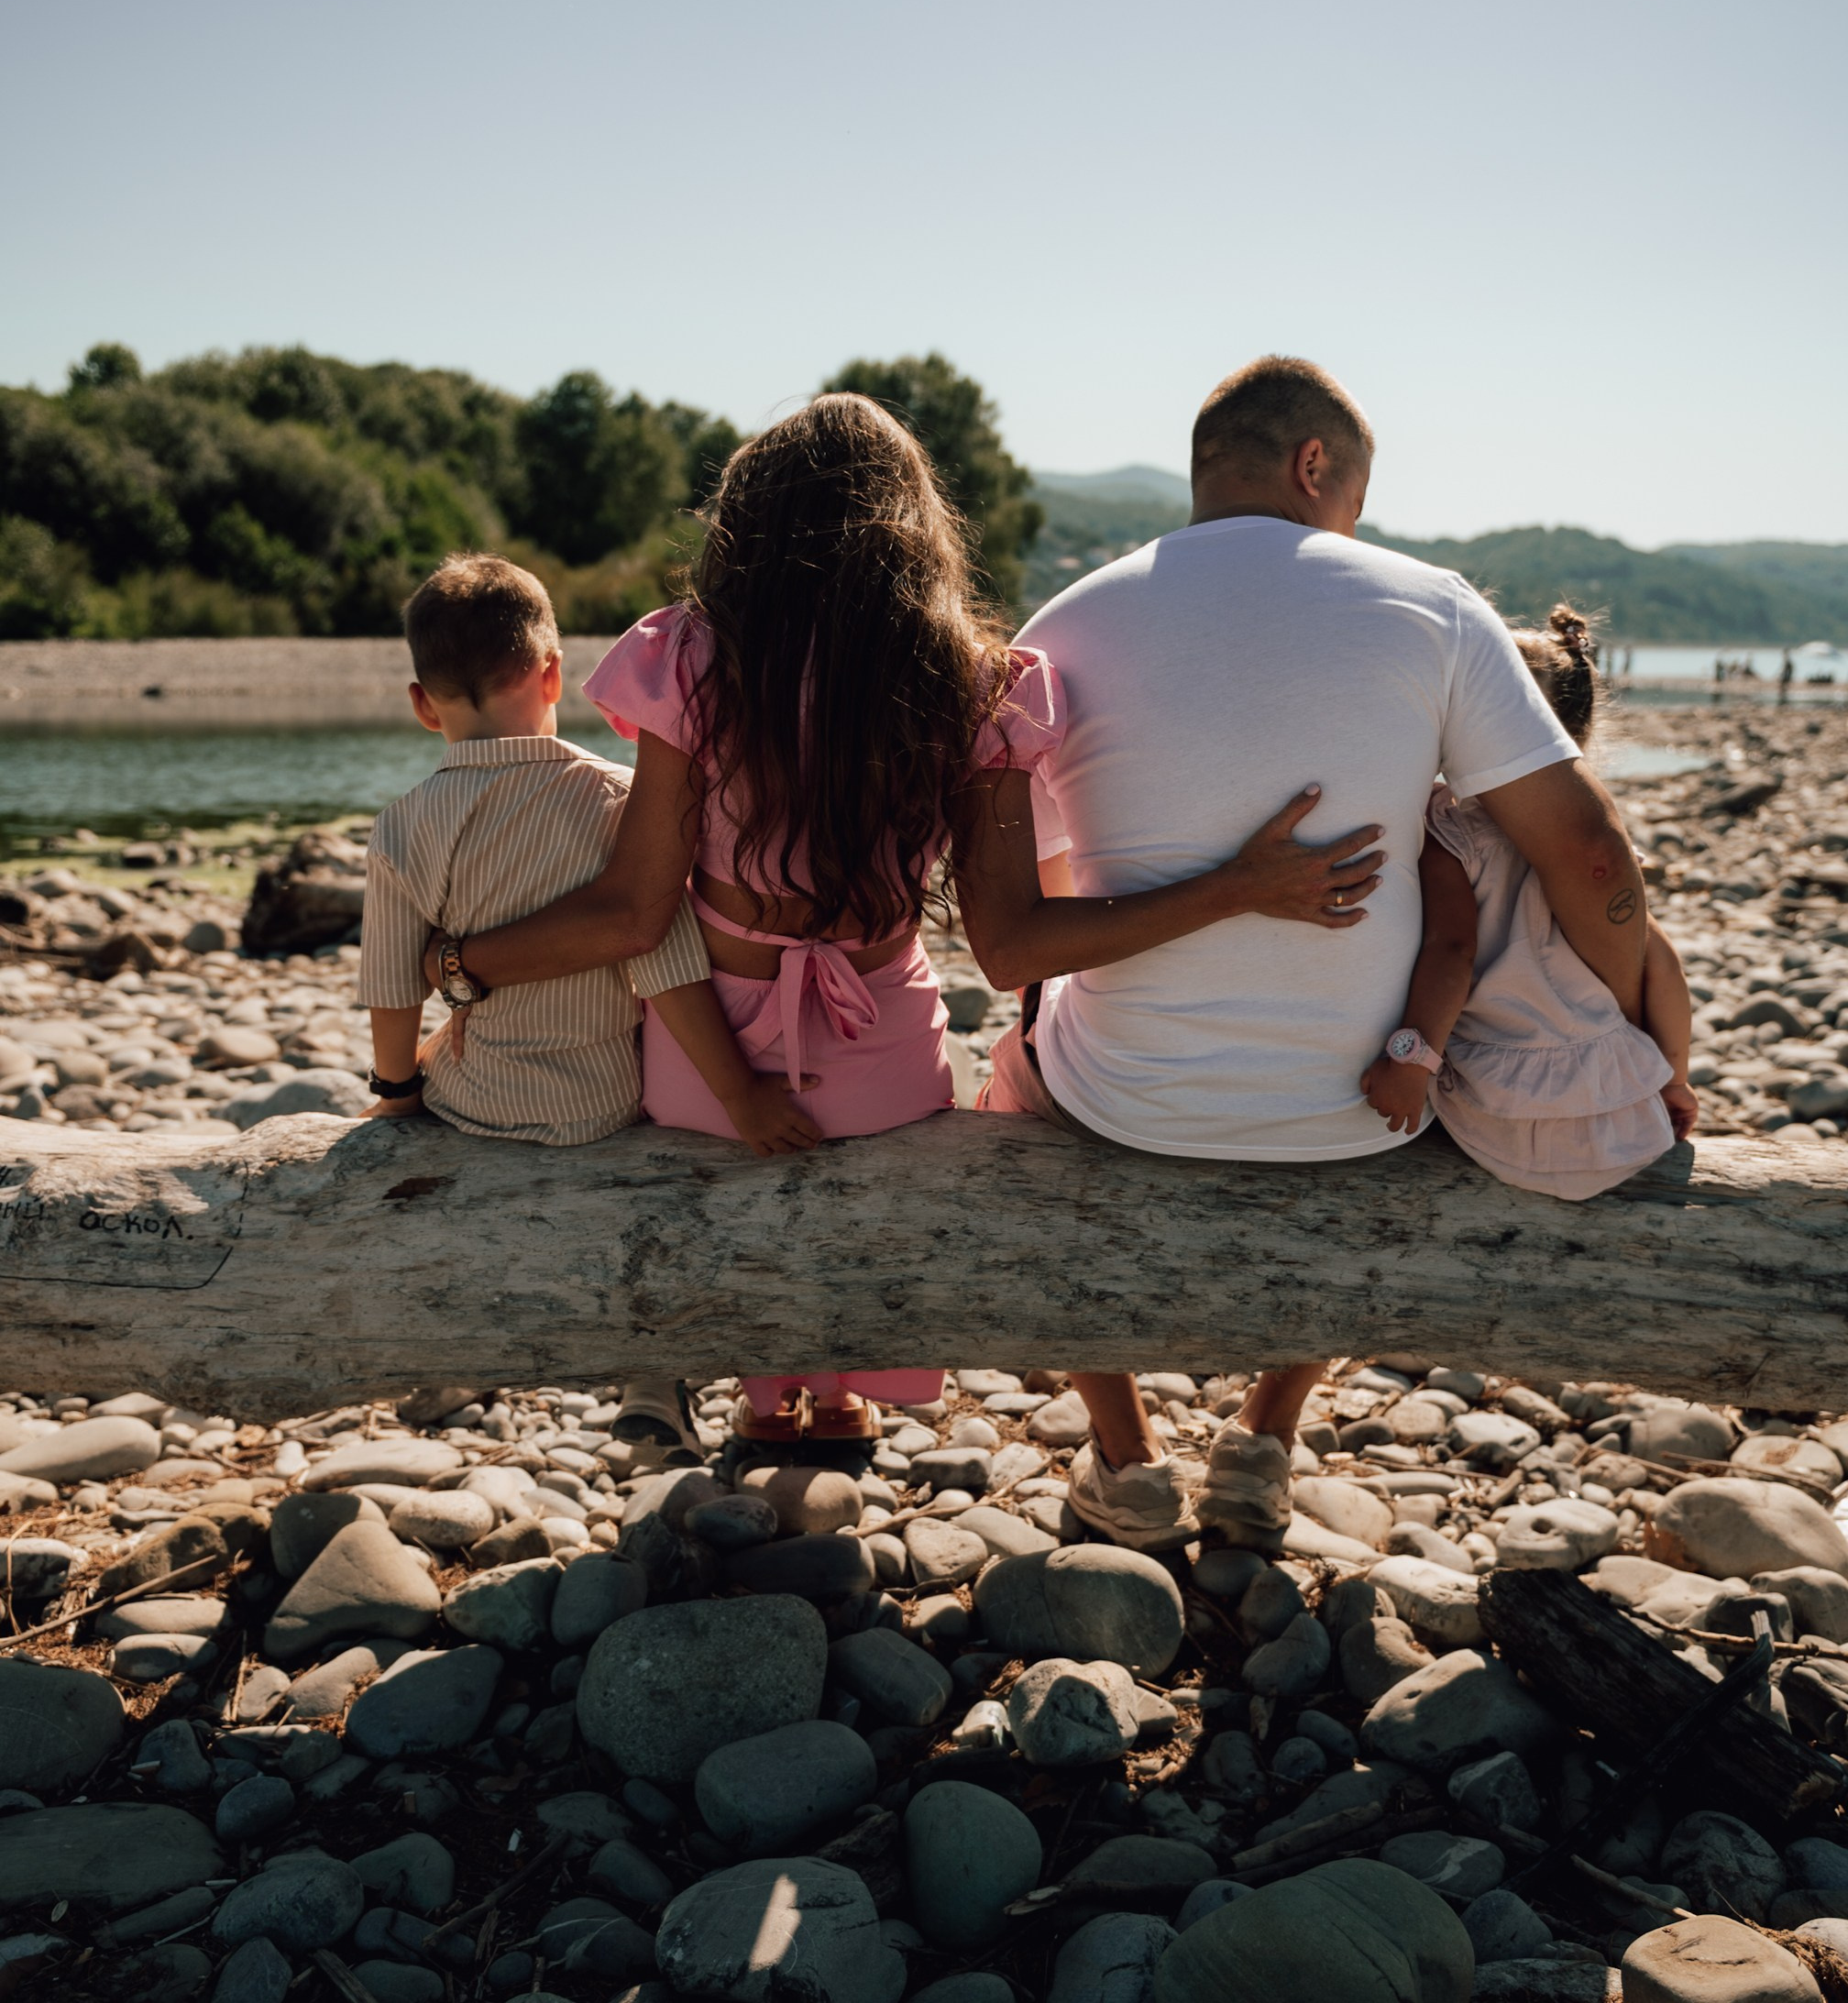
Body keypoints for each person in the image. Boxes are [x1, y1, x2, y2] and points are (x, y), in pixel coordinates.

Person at [425, 396, 1380, 1458]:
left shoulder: (695, 659)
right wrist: (1233, 885)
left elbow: (636, 910)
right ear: (915, 528)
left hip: (710, 1048)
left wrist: (463, 965)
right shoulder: (976, 683)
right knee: (866, 1221)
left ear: (752, 524)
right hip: (883, 1043)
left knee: (723, 1202)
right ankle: (844, 1393)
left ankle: (761, 1398)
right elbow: (1012, 944)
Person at [970, 354, 1649, 1554]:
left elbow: (1028, 921)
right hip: (1359, 1116)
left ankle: (1126, 1457)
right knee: (1407, 1013)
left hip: (1121, 1101)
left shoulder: (1057, 628)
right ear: (1314, 464)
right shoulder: (1436, 605)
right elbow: (1592, 862)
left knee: (1012, 1060)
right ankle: (1269, 1434)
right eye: (1356, 492)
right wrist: (1642, 1043)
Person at [358, 552, 764, 1147]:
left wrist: (397, 1094)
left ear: (422, 705)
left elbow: (393, 988)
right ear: (552, 676)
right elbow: (667, 964)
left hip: (480, 1103)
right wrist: (740, 1096)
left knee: (434, 1050)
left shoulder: (399, 826)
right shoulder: (620, 799)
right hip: (611, 1099)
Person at [1360, 604, 1698, 1194]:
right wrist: (1671, 1078)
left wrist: (1411, 1061)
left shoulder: (1450, 827)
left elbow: (1452, 949)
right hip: (1619, 1105)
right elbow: (1659, 960)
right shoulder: (1595, 838)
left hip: (1503, 1105)